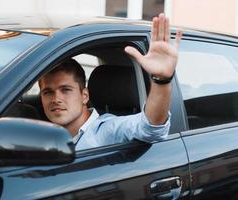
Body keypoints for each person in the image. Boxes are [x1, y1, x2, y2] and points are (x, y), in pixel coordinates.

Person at [38, 13, 182, 150]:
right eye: (48, 92)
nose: (56, 99)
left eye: (65, 90)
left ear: (84, 95)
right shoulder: (39, 136)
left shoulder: (106, 131)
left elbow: (150, 128)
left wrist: (161, 80)